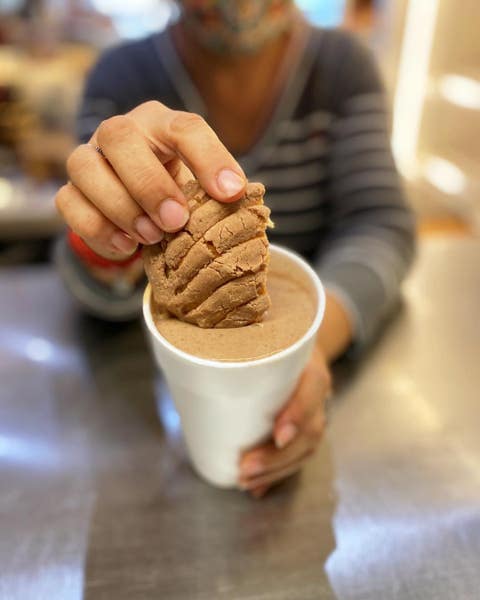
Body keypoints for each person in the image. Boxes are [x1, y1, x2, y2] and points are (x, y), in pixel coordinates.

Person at [54, 0, 415, 498]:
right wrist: (106, 242)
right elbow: (83, 260)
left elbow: (380, 225)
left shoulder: (341, 68)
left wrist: (312, 350)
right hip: (143, 398)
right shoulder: (121, 75)